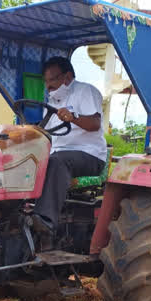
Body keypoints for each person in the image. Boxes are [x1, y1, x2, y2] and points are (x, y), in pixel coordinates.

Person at [32, 57, 107, 235]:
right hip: (59, 154)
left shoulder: (85, 91)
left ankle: (45, 220)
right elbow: (46, 133)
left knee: (57, 161)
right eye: (46, 81)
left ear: (67, 77)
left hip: (89, 155)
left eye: (52, 80)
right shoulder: (51, 102)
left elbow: (95, 123)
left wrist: (73, 117)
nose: (48, 86)